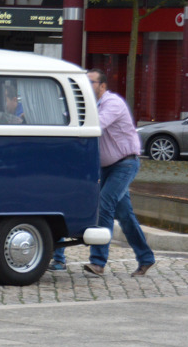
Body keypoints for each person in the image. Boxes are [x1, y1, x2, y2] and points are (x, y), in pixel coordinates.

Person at [54, 69, 155, 276]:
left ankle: (98, 262)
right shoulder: (91, 105)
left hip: (125, 164)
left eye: (91, 82)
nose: (87, 86)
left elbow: (95, 126)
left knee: (104, 204)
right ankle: (146, 258)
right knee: (125, 216)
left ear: (102, 86)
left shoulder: (113, 104)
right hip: (107, 167)